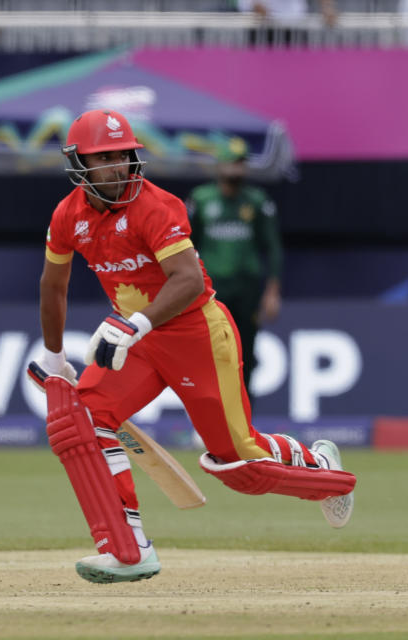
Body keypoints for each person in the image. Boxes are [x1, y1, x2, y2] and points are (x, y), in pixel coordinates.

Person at [29, 109, 355, 584]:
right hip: (138, 338)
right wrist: (55, 356)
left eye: (125, 155)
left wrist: (135, 323)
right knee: (84, 418)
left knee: (238, 464)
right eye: (105, 159)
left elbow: (185, 281)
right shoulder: (67, 216)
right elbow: (52, 286)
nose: (119, 166)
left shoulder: (157, 206)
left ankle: (325, 471)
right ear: (79, 164)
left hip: (196, 334)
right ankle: (129, 547)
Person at [185, 147, 282, 400]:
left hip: (247, 287)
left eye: (240, 164)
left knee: (246, 354)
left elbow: (272, 247)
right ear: (219, 166)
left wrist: (273, 292)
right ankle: (210, 414)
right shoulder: (202, 198)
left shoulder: (257, 201)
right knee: (211, 352)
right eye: (230, 163)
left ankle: (245, 422)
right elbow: (185, 245)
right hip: (211, 287)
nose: (235, 169)